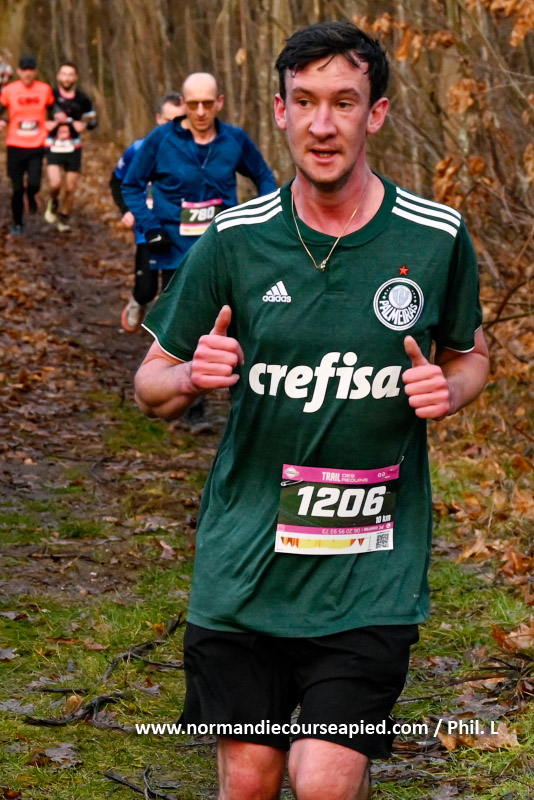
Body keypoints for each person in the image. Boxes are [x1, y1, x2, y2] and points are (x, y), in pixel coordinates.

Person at [134, 20, 489, 800]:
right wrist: (190, 373)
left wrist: (451, 388)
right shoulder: (235, 239)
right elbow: (150, 384)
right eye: (305, 101)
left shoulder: (436, 237)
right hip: (244, 566)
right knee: (250, 778)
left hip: (371, 568)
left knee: (324, 777)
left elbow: (470, 354)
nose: (322, 124)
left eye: (344, 102)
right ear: (280, 110)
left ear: (377, 113)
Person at [121, 71, 277, 332]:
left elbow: (264, 177)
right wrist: (150, 227)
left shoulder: (235, 139)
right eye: (194, 104)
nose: (201, 112)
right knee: (178, 329)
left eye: (208, 103)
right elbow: (131, 185)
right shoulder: (161, 139)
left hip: (222, 247)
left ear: (220, 102)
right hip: (174, 249)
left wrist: (260, 220)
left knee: (224, 324)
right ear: (183, 104)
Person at [110, 93, 185, 333]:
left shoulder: (194, 153)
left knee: (173, 290)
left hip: (181, 230)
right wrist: (126, 210)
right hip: (147, 226)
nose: (173, 126)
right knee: (146, 289)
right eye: (168, 120)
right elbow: (117, 181)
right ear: (158, 118)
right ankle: (137, 301)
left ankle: (166, 337)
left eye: (180, 120)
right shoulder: (139, 149)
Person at [0, 55, 54, 237]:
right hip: (15, 145)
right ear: (18, 71)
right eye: (24, 70)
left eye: (31, 70)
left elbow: (54, 109)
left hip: (37, 145)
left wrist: (54, 122)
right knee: (16, 188)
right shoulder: (9, 90)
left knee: (34, 183)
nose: (27, 74)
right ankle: (17, 223)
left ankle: (31, 195)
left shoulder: (44, 89)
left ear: (35, 72)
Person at [43, 60, 98, 232]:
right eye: (64, 74)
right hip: (53, 144)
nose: (67, 78)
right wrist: (45, 124)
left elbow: (93, 120)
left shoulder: (82, 99)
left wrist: (85, 126)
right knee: (55, 183)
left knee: (70, 187)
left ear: (75, 77)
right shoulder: (50, 95)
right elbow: (37, 114)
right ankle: (53, 201)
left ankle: (64, 218)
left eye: (70, 75)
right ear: (58, 76)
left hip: (73, 146)